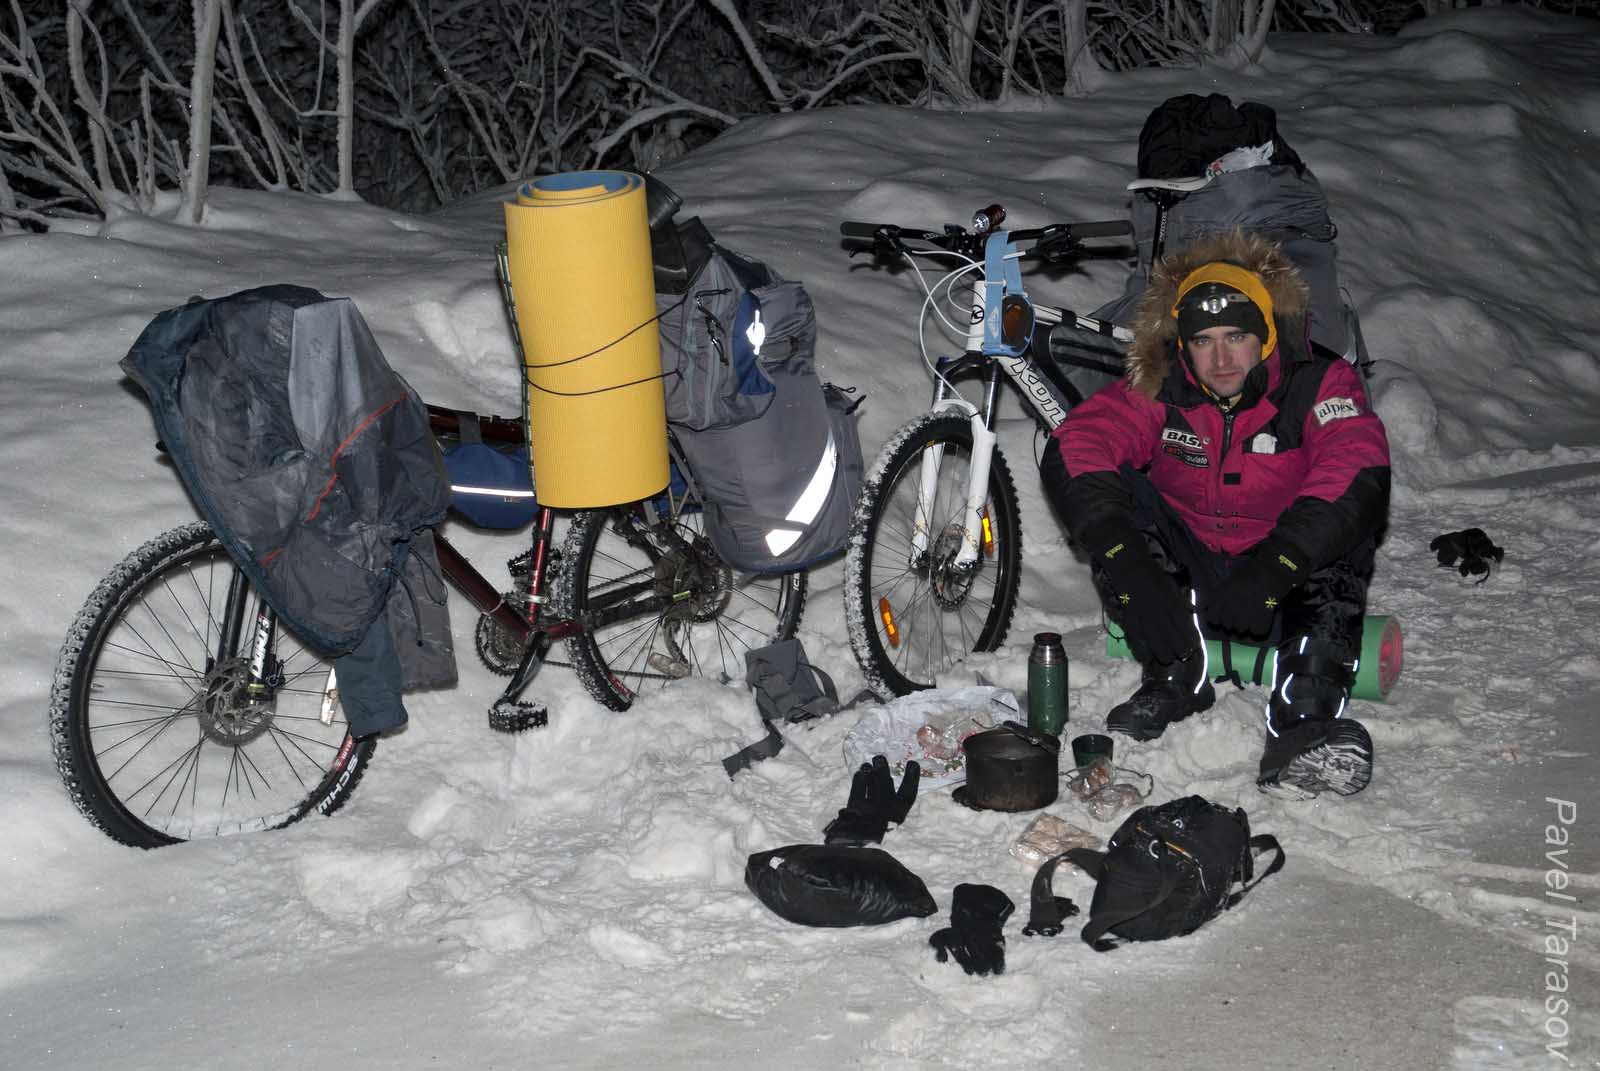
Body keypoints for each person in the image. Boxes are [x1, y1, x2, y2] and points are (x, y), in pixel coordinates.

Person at [1040, 229, 1390, 797]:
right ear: (1183, 345)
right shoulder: (1160, 387)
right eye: (1203, 341)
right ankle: (1176, 672)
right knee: (1113, 497)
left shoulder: (1320, 382)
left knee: (1343, 521)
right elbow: (1083, 443)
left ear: (1268, 334)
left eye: (1236, 336)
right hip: (1196, 573)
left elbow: (1355, 465)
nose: (1221, 358)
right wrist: (1126, 559)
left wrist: (1277, 564)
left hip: (1287, 575)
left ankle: (1305, 720)